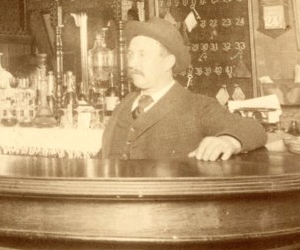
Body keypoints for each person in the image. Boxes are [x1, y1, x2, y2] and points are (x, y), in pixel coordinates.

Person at [99, 19, 266, 161]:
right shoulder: (125, 104)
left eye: (142, 55)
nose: (131, 64)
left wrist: (229, 141)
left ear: (168, 62)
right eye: (130, 55)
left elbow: (254, 129)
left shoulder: (198, 106)